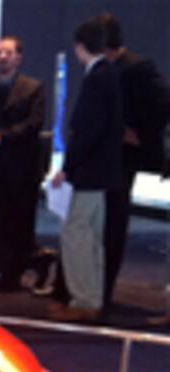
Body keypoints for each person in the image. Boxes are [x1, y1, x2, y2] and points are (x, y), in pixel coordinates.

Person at [49, 19, 123, 323]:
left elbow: (86, 131)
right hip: (103, 172)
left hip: (88, 173)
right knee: (92, 236)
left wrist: (67, 167)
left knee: (76, 234)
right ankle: (91, 298)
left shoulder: (96, 79)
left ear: (81, 47)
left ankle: (83, 300)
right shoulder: (111, 75)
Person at [98, 13, 168, 310]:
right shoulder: (105, 68)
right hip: (104, 154)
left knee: (114, 221)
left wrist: (139, 133)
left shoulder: (139, 67)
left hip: (124, 157)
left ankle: (105, 290)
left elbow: (163, 104)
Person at [0, 36, 46, 289]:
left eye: (8, 52)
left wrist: (1, 137)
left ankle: (22, 268)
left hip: (22, 169)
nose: (2, 57)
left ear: (18, 58)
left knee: (21, 222)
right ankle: (18, 266)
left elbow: (33, 125)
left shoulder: (34, 88)